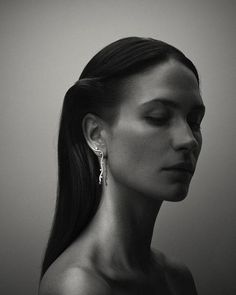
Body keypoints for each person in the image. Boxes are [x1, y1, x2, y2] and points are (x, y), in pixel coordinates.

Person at [38, 37, 205, 295]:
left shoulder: (179, 278)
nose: (188, 140)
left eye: (194, 121)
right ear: (97, 135)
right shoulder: (78, 287)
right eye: (158, 117)